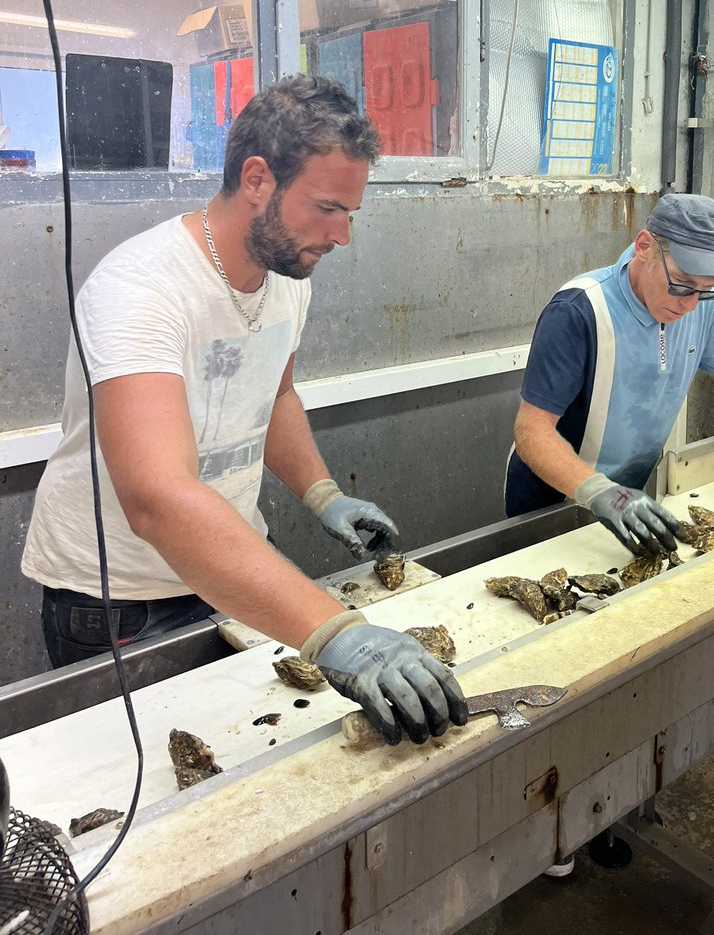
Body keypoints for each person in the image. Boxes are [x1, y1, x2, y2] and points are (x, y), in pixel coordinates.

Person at [23, 74, 467, 747]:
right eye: (327, 208)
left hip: (232, 571)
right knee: (160, 801)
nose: (342, 236)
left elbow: (274, 393)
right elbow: (158, 497)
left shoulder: (286, 278)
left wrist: (321, 495)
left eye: (351, 212)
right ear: (258, 178)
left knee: (254, 754)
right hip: (121, 601)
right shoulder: (139, 287)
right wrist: (335, 630)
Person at [504, 193, 714, 556]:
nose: (689, 303)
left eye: (706, 289)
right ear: (644, 247)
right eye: (681, 282)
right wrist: (599, 492)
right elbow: (532, 430)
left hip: (631, 498)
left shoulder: (700, 306)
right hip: (556, 499)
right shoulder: (579, 311)